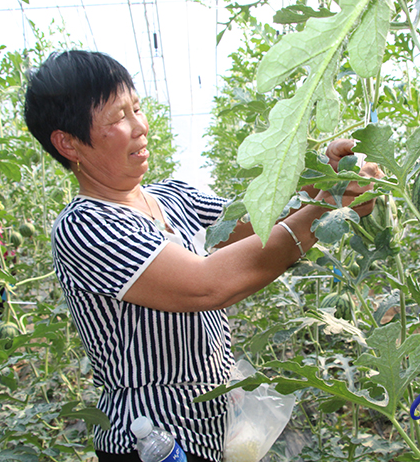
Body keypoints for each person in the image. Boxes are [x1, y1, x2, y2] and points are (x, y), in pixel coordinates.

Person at [23, 50, 380, 462]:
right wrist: (325, 208)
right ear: (68, 143)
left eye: (137, 108)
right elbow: (206, 285)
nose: (140, 126)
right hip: (150, 442)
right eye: (118, 118)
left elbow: (260, 220)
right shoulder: (85, 226)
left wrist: (327, 182)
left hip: (213, 431)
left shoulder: (172, 196)